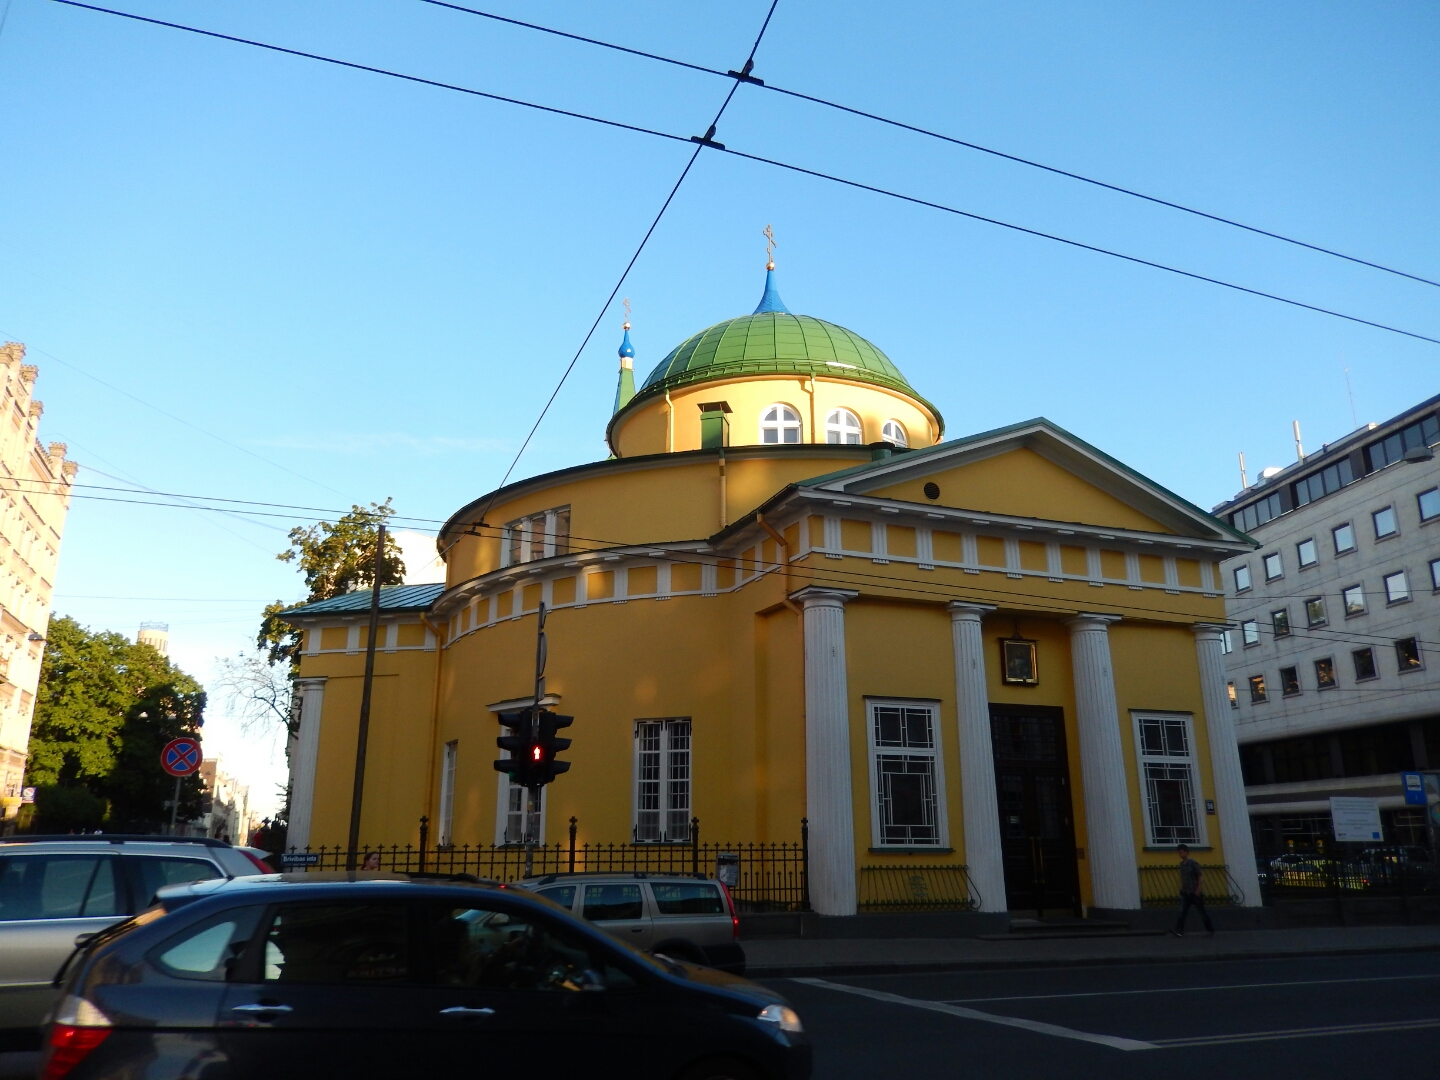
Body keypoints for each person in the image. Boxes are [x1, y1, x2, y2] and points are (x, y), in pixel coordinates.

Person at [1170, 844, 1214, 936]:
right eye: (1179, 852)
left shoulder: (1193, 863)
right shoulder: (1181, 864)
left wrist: (1198, 890)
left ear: (1186, 852)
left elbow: (1200, 876)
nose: (1180, 854)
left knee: (1202, 912)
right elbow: (1183, 878)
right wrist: (1182, 888)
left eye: (1181, 852)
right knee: (1182, 912)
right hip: (1186, 892)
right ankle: (1179, 930)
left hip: (1194, 892)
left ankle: (1210, 930)